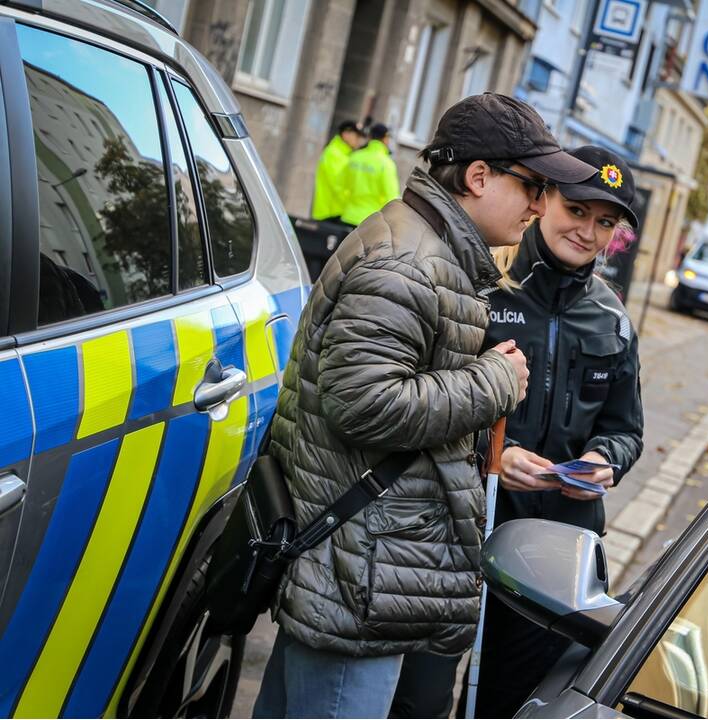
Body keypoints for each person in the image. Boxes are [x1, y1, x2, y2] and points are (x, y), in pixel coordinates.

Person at [252, 93, 595, 720]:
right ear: (479, 176)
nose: (542, 207)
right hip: (363, 577)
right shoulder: (408, 262)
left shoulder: (432, 253)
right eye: (534, 186)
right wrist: (493, 382)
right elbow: (364, 403)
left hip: (372, 567)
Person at [390, 147, 645, 719]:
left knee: (510, 704)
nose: (588, 232)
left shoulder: (612, 316)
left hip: (555, 552)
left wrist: (606, 459)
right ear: (544, 199)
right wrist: (497, 457)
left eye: (605, 223)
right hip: (459, 528)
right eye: (577, 210)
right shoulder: (485, 285)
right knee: (419, 700)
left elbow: (626, 428)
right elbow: (430, 398)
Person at [340, 123, 400, 227]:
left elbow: (342, 186)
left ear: (370, 137)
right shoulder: (386, 164)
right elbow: (391, 198)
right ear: (385, 139)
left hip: (348, 216)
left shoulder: (355, 157)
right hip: (370, 222)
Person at [311, 120, 364, 221]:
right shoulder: (335, 154)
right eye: (356, 136)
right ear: (345, 134)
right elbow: (339, 186)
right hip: (331, 212)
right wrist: (353, 205)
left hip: (334, 211)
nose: (358, 140)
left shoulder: (343, 154)